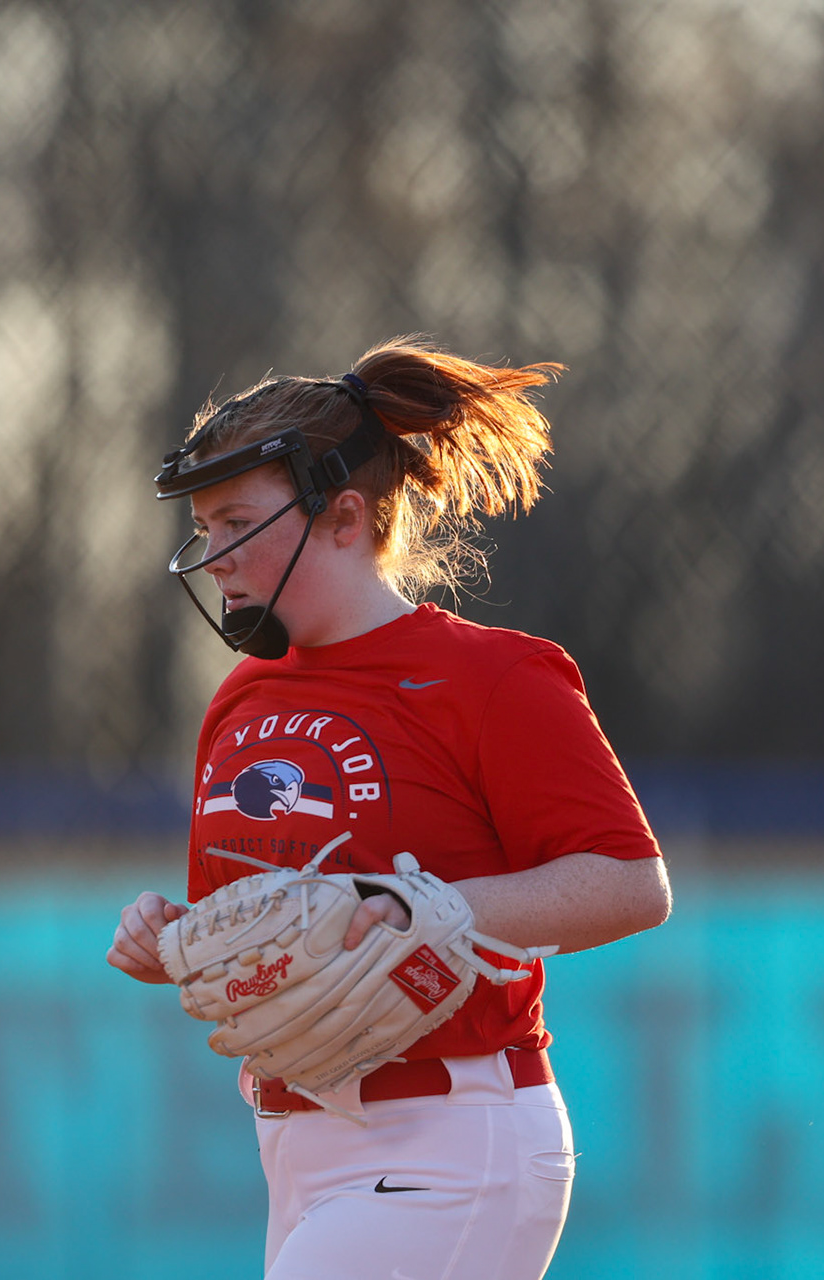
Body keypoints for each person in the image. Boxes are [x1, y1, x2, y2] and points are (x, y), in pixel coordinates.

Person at [107, 337, 672, 1279]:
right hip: (297, 1148)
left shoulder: (491, 677)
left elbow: (630, 885)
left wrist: (436, 908)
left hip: (451, 1135)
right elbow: (263, 931)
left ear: (344, 516)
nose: (212, 557)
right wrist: (170, 938)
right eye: (203, 529)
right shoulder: (243, 699)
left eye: (236, 521)